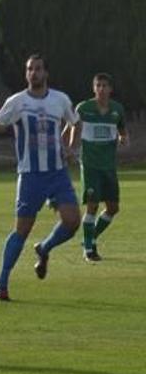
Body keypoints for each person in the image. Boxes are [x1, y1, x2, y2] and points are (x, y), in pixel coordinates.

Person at [0, 54, 80, 301]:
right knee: (21, 230)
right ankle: (2, 281)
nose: (33, 73)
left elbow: (75, 122)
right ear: (26, 74)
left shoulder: (60, 100)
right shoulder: (17, 102)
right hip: (30, 175)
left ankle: (44, 248)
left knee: (72, 221)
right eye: (29, 69)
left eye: (38, 69)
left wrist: (71, 148)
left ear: (46, 73)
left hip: (57, 172)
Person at [70, 73, 128, 262]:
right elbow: (72, 126)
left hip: (109, 166)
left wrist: (123, 138)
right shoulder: (84, 108)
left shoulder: (117, 110)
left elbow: (122, 129)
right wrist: (70, 146)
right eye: (98, 85)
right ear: (93, 89)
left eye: (105, 86)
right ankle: (88, 250)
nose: (102, 89)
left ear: (111, 89)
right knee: (93, 206)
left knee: (113, 208)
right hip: (90, 165)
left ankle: (91, 236)